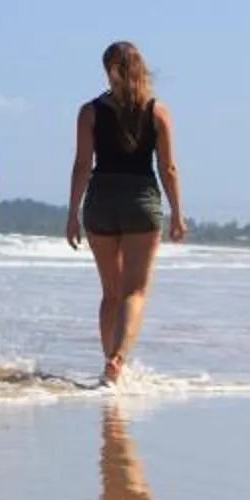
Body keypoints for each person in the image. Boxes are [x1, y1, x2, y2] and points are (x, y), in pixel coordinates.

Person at [65, 40, 188, 385]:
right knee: (135, 292)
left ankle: (109, 365)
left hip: (101, 199)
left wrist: (72, 213)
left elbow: (81, 166)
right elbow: (169, 168)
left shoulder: (89, 112)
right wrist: (177, 212)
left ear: (108, 70)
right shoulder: (157, 111)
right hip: (141, 201)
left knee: (111, 293)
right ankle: (117, 361)